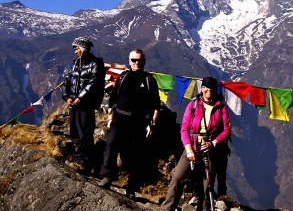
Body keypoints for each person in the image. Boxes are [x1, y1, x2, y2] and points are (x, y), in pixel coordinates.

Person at [98, 49, 160, 198]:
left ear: (144, 61)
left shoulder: (149, 80)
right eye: (134, 60)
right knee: (111, 145)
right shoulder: (123, 76)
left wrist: (151, 123)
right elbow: (113, 98)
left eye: (139, 60)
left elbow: (155, 105)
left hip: (138, 122)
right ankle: (107, 176)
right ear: (129, 61)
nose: (136, 63)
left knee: (134, 154)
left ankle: (131, 187)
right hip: (119, 118)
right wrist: (110, 117)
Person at [162, 77, 231, 211]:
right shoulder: (193, 105)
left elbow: (226, 130)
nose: (208, 90)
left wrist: (213, 143)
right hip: (191, 147)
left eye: (211, 87)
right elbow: (184, 129)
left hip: (210, 150)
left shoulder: (221, 107)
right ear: (202, 88)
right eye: (206, 87)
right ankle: (167, 208)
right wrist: (188, 150)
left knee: (207, 185)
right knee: (178, 178)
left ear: (215, 89)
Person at [62, 36, 105, 175]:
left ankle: (85, 163)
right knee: (75, 132)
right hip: (74, 104)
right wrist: (67, 97)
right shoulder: (73, 64)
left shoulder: (95, 64)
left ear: (83, 48)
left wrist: (81, 97)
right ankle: (80, 159)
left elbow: (93, 83)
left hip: (86, 105)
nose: (75, 51)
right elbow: (67, 81)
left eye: (77, 48)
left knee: (85, 133)